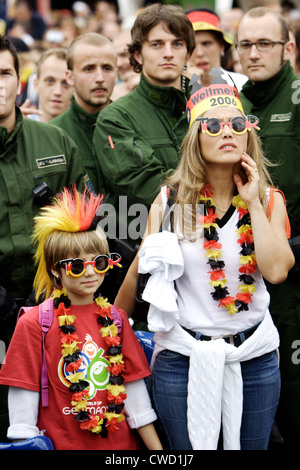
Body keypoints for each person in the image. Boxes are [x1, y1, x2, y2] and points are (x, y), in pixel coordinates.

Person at [114, 68, 294, 450]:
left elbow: (277, 271)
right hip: (182, 357)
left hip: (255, 357)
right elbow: (139, 271)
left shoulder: (269, 199)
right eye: (212, 125)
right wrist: (111, 334)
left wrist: (253, 205)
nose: (226, 131)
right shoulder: (170, 202)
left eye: (235, 123)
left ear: (248, 132)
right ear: (195, 138)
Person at [0, 187, 163, 450]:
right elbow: (22, 414)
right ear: (55, 270)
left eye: (98, 263)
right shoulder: (33, 323)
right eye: (77, 266)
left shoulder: (116, 318)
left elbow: (136, 399)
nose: (90, 273)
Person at [0, 34, 87, 440]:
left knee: (58, 420)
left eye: (4, 73)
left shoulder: (54, 143)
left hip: (52, 309)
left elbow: (86, 229)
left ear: (20, 80)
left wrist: (58, 287)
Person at [236, 6, 300, 448]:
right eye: (245, 44)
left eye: (265, 44)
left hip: (292, 272)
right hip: (241, 271)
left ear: (288, 48)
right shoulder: (232, 102)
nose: (254, 53)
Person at [93, 4, 195, 247]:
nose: (168, 53)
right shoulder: (115, 118)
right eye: (156, 44)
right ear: (138, 54)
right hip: (149, 250)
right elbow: (146, 187)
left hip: (214, 248)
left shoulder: (208, 107)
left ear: (188, 53)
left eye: (177, 44)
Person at [51, 33, 118, 194]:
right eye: (89, 69)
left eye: (107, 68)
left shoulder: (133, 125)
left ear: (116, 74)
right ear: (70, 77)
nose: (100, 78)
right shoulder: (53, 135)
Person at [185, 8, 247, 90]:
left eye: (206, 43)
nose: (199, 53)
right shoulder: (177, 92)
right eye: (192, 46)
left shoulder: (243, 85)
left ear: (221, 46)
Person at [23, 48, 74, 123]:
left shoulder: (85, 131)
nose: (57, 92)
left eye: (66, 83)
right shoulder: (18, 127)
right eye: (50, 81)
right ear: (36, 84)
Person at [111, 29, 140, 101]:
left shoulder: (166, 83)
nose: (118, 64)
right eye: (115, 57)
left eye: (124, 55)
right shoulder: (112, 94)